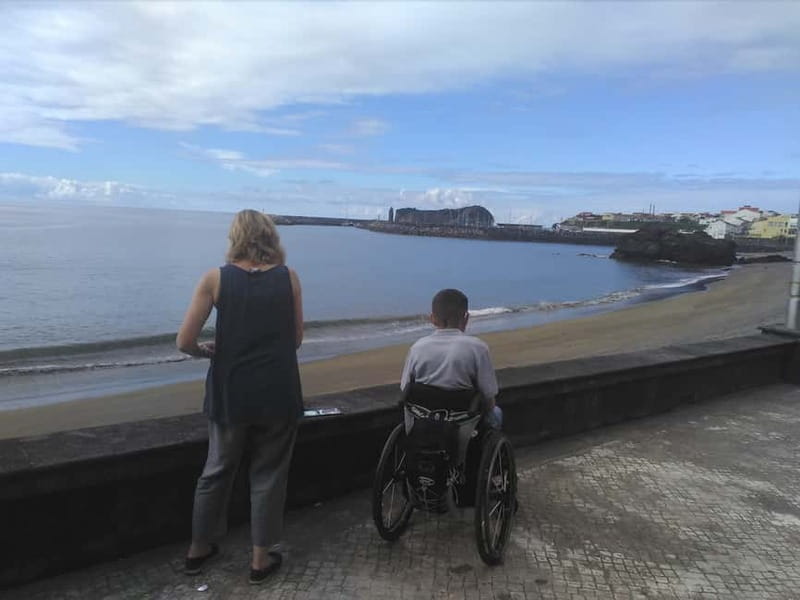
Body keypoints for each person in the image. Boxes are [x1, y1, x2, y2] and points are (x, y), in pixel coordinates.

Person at [177, 209, 303, 585]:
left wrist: (208, 350)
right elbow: (295, 340)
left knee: (217, 470)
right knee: (269, 474)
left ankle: (198, 549)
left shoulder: (215, 278)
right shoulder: (289, 278)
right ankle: (260, 560)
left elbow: (184, 342)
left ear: (235, 237)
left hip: (230, 391)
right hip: (278, 391)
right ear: (270, 237)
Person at [400, 288, 502, 428]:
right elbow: (489, 395)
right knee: (496, 413)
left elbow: (405, 387)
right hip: (463, 423)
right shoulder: (477, 348)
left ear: (432, 319)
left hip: (424, 422)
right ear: (466, 318)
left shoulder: (417, 348)